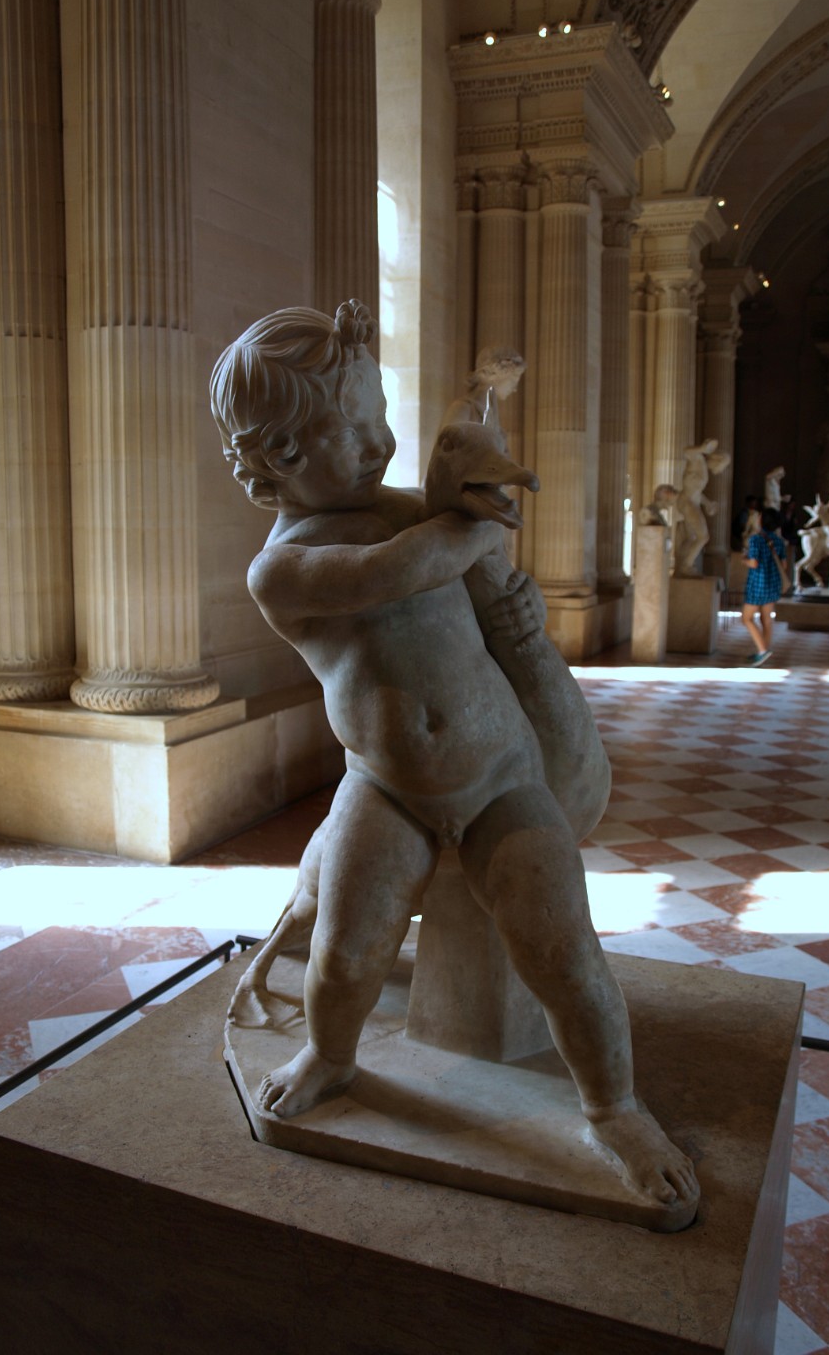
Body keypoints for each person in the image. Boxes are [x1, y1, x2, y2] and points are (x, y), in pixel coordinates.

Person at [210, 299, 698, 1211]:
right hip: (384, 788)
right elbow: (396, 572)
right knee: (345, 955)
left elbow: (494, 594)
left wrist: (500, 554)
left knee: (563, 956)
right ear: (278, 459)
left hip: (502, 780)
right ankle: (331, 1054)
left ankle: (615, 1109)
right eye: (351, 431)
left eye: (379, 415)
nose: (381, 441)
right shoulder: (284, 568)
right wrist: (476, 518)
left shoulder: (405, 510)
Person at [741, 506, 787, 666]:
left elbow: (753, 563)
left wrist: (743, 560)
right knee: (766, 619)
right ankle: (764, 650)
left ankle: (762, 650)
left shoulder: (755, 539)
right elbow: (784, 565)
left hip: (758, 584)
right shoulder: (779, 541)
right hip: (773, 583)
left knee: (746, 618)